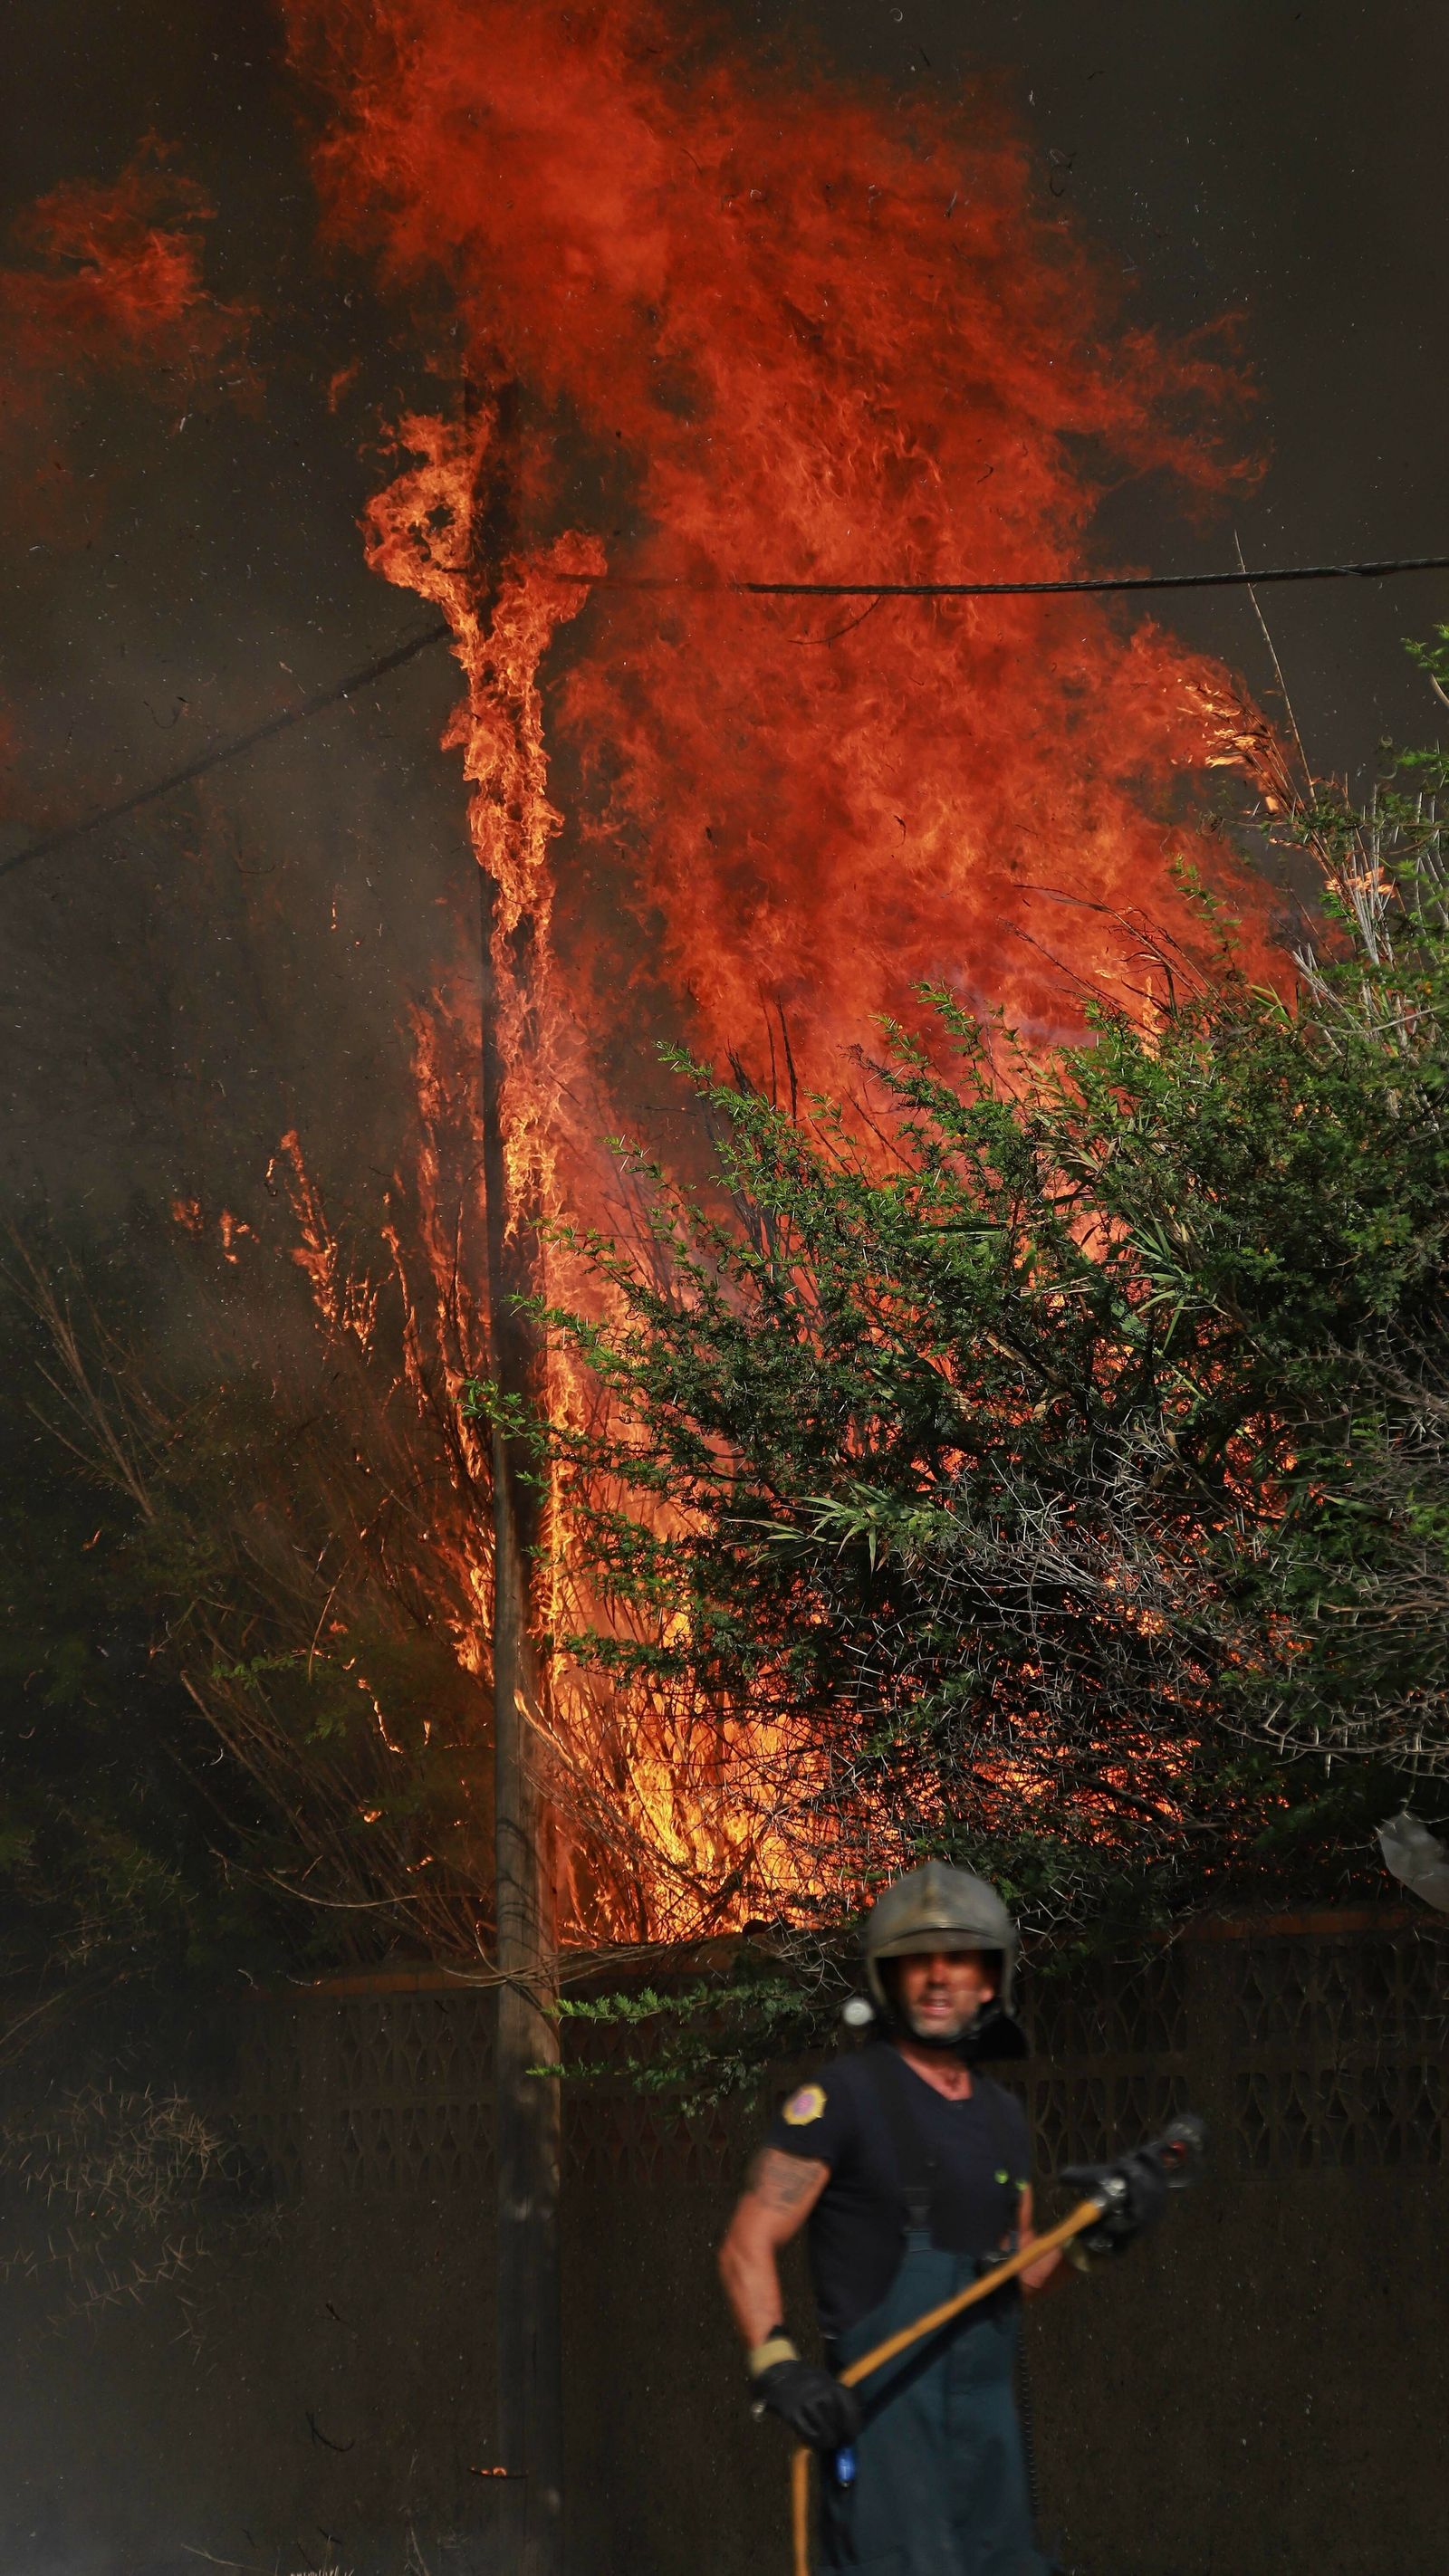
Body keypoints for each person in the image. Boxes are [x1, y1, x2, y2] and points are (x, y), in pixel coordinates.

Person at [717, 1863, 1167, 2576]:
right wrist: (779, 2366)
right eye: (916, 1960)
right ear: (888, 1978)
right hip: (886, 2439)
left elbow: (1017, 2268)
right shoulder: (842, 2098)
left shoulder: (1001, 2116)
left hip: (989, 2446)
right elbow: (748, 2241)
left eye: (957, 1958)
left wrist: (1095, 2237)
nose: (936, 1976)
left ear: (990, 1979)